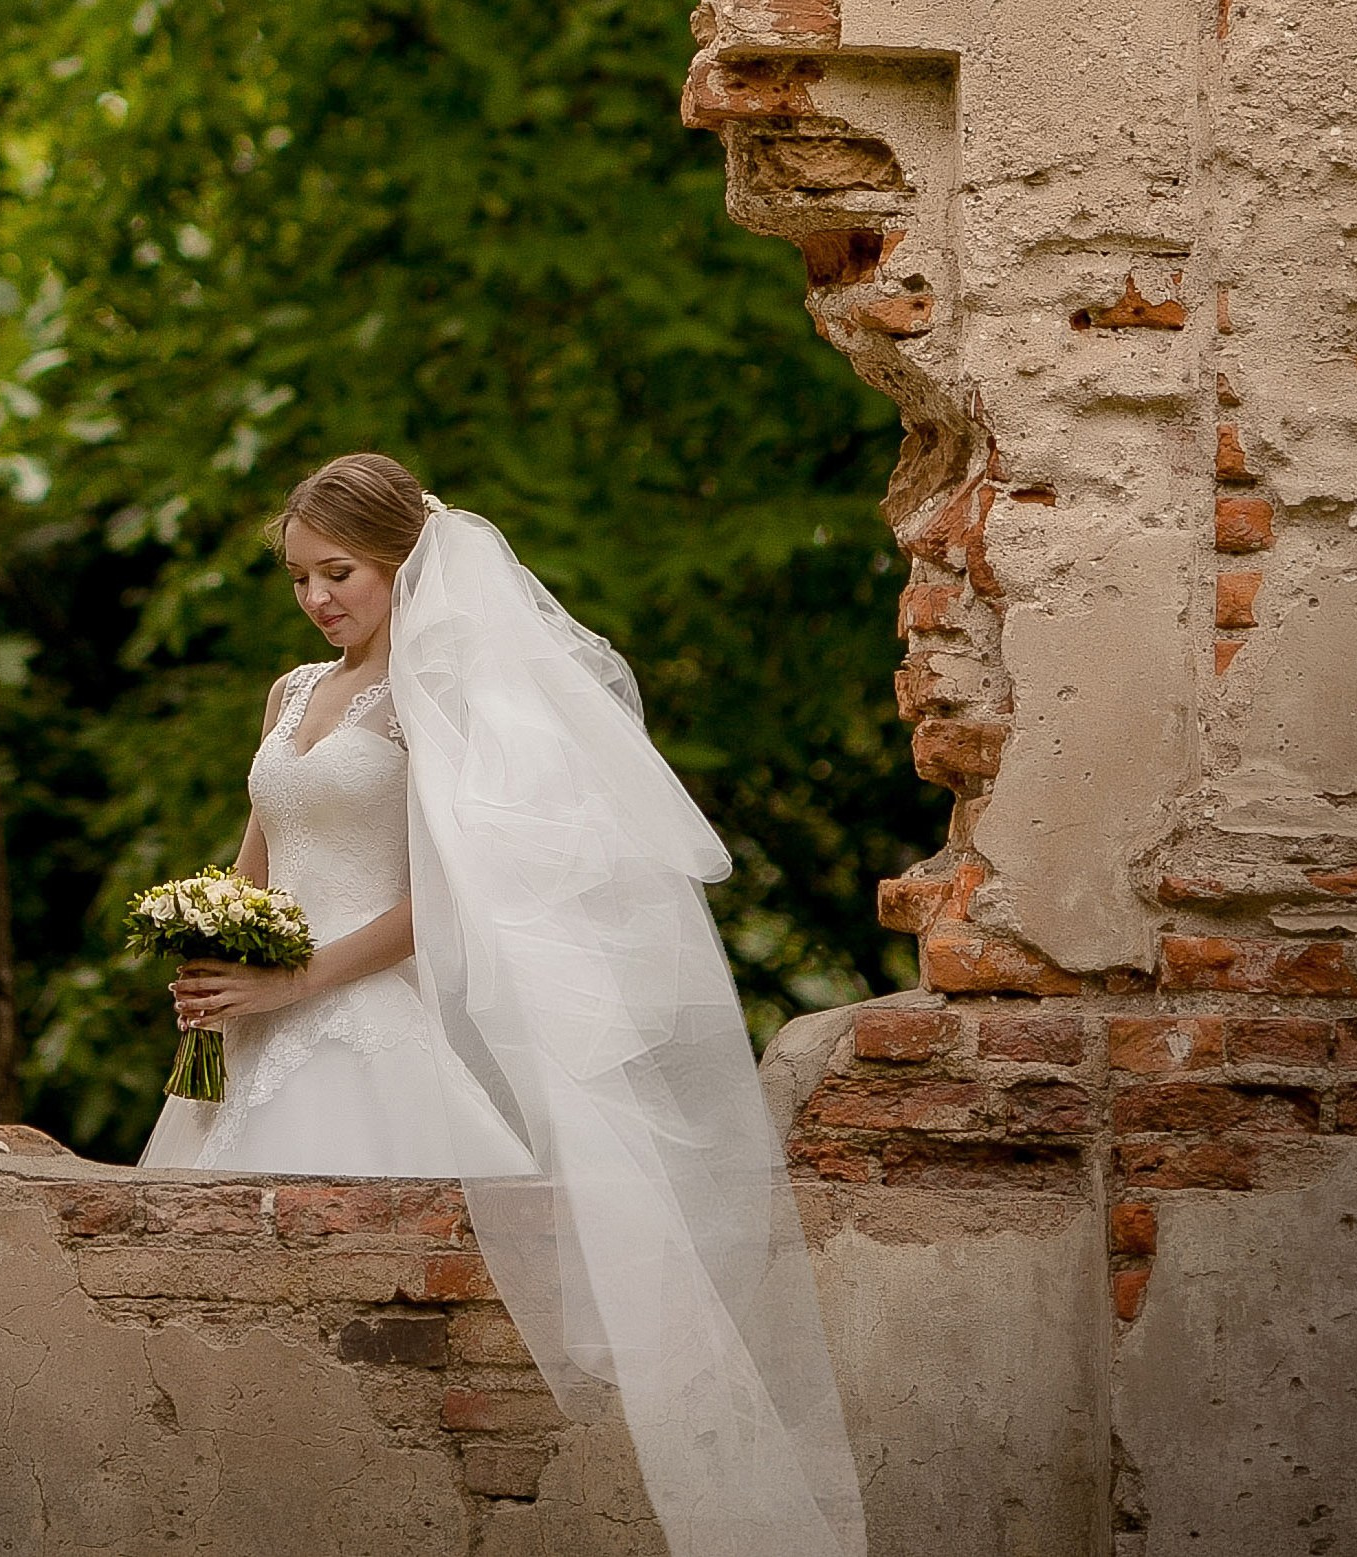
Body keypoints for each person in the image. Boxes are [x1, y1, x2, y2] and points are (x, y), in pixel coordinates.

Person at [143, 451, 866, 1557]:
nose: (317, 599)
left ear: (404, 560)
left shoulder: (439, 702)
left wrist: (294, 979)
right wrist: (209, 950)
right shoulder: (292, 693)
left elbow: (447, 900)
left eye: (339, 572)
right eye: (298, 579)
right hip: (250, 1035)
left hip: (361, 1028)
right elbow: (261, 860)